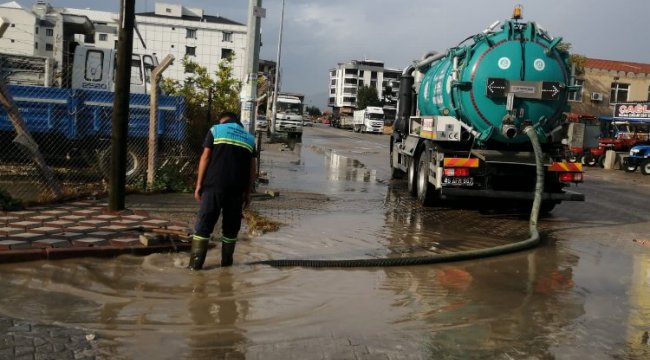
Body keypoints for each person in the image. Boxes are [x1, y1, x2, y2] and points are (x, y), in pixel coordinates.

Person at [189, 111, 257, 270]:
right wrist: (248, 193)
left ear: (223, 120)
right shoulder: (249, 139)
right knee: (231, 229)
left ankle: (195, 267)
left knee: (204, 225)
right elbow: (252, 169)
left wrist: (199, 184)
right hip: (236, 190)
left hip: (214, 186)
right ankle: (226, 268)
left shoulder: (216, 130)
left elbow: (205, 157)